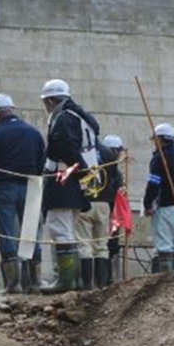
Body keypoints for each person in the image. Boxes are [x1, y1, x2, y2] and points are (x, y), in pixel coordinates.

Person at [0, 93, 46, 293]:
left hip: (4, 189)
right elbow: (42, 163)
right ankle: (34, 283)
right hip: (31, 187)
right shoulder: (33, 133)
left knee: (7, 234)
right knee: (31, 234)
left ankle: (13, 284)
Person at [39, 79, 99, 293]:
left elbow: (65, 147)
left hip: (63, 181)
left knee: (59, 228)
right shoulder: (81, 117)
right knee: (69, 230)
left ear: (52, 100)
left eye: (46, 101)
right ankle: (72, 282)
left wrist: (77, 168)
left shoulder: (63, 119)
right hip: (76, 182)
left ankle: (65, 282)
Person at [143, 123, 174, 272]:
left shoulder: (159, 159)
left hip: (164, 206)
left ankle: (164, 281)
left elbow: (153, 183)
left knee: (164, 245)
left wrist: (147, 204)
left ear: (160, 139)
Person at [76, 138, 122, 289]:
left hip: (85, 202)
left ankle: (87, 286)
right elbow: (116, 180)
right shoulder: (108, 153)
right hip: (104, 203)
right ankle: (101, 286)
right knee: (102, 246)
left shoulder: (80, 151)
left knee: (84, 244)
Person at [102, 135, 126, 284]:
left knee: (111, 246)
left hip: (113, 214)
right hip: (104, 209)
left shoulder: (116, 172)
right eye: (115, 150)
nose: (117, 154)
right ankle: (102, 278)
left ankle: (108, 278)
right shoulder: (105, 170)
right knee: (101, 244)